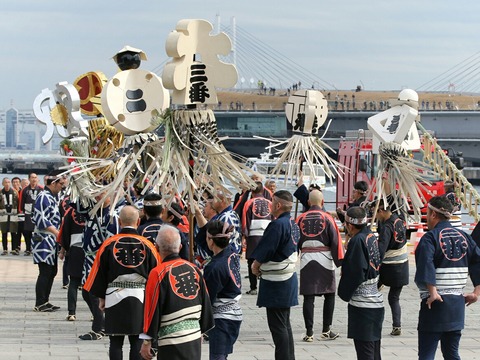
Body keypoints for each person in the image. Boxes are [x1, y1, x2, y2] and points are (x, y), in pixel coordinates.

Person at [84, 205, 160, 360]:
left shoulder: (108, 244)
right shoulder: (148, 246)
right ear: (138, 221)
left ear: (119, 221)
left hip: (114, 295)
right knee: (136, 340)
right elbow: (157, 274)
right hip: (140, 296)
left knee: (116, 341)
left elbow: (99, 273)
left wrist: (101, 297)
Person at [415, 196, 480, 360]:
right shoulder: (465, 237)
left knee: (427, 354)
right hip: (457, 305)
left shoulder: (430, 238)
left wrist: (432, 291)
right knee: (451, 353)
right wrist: (476, 293)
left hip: (435, 304)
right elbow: (478, 262)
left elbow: (426, 264)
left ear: (433, 215)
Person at [140, 225, 214, 360]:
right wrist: (201, 330)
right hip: (193, 334)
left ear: (156, 247)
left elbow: (151, 308)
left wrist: (147, 340)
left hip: (171, 339)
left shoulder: (158, 273)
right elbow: (206, 300)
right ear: (180, 247)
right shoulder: (194, 269)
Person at [251, 190, 300, 360]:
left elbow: (266, 250)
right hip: (287, 278)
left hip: (277, 281)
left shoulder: (277, 225)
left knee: (279, 327)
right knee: (284, 324)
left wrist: (256, 265)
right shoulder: (293, 224)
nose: (270, 205)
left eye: (271, 202)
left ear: (278, 205)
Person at [296, 190, 343, 342]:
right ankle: (326, 329)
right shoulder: (327, 218)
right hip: (325, 257)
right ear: (322, 202)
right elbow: (336, 242)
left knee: (308, 296)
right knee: (329, 293)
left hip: (306, 257)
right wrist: (340, 263)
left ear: (309, 202)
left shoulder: (300, 218)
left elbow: (293, 240)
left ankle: (309, 333)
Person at [338, 206, 384, 360]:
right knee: (373, 350)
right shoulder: (370, 236)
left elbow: (355, 272)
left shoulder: (357, 241)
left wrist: (343, 292)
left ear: (350, 225)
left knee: (365, 352)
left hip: (364, 305)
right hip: (375, 301)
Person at [79, 192, 123, 340]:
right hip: (88, 259)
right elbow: (78, 206)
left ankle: (99, 328)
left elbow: (112, 242)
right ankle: (101, 322)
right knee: (86, 292)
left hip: (99, 259)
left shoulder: (111, 216)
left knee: (94, 293)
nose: (98, 197)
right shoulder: (93, 212)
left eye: (103, 194)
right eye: (97, 194)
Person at [204, 220, 242, 360]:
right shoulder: (231, 253)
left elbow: (208, 297)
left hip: (222, 317)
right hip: (234, 314)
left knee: (217, 357)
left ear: (211, 241)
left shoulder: (215, 267)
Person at [371, 198, 409, 337]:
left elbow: (381, 250)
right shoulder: (400, 220)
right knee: (394, 297)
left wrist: (374, 266)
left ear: (381, 210)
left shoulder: (387, 227)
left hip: (390, 267)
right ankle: (396, 325)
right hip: (403, 265)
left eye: (377, 212)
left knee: (373, 293)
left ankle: (373, 322)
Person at [31, 170, 66, 312]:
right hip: (43, 239)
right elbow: (41, 220)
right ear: (53, 183)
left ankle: (45, 300)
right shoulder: (43, 196)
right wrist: (58, 234)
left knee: (52, 271)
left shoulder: (51, 197)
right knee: (45, 271)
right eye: (61, 184)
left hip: (50, 239)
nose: (62, 187)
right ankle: (40, 302)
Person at [241, 180, 272, 295]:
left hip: (253, 234)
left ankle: (253, 287)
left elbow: (245, 221)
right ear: (263, 190)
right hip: (267, 234)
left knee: (251, 260)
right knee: (265, 260)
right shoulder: (270, 203)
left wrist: (244, 235)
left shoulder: (249, 203)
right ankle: (265, 285)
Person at [57, 200, 86, 321]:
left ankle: (71, 312)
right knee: (92, 282)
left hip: (75, 248)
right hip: (92, 250)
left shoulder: (71, 212)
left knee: (74, 281)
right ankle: (95, 313)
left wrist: (63, 250)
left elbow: (64, 231)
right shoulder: (97, 209)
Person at [19, 172, 43, 256]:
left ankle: (36, 248)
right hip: (28, 214)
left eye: (35, 177)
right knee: (27, 232)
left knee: (37, 232)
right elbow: (21, 202)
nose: (34, 179)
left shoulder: (41, 189)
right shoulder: (25, 190)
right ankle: (28, 248)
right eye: (32, 177)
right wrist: (22, 211)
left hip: (38, 213)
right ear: (29, 179)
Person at [0, 177, 20, 255]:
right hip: (3, 214)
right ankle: (5, 249)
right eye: (6, 182)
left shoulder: (15, 192)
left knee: (13, 232)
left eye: (8, 182)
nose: (7, 184)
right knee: (4, 233)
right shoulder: (0, 192)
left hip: (13, 214)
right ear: (3, 184)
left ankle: (14, 249)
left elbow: (18, 202)